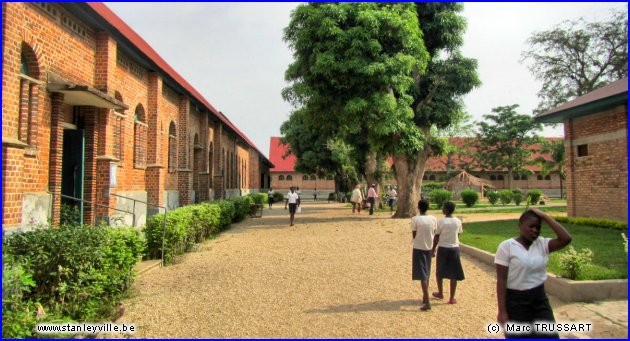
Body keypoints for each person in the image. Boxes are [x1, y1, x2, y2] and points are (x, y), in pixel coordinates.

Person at [495, 208, 572, 339]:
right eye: (531, 226)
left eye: (538, 227)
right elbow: (501, 280)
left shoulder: (542, 244)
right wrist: (502, 311)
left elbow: (566, 239)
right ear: (520, 225)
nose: (535, 230)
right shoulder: (506, 247)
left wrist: (544, 215)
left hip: (539, 300)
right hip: (516, 302)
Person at [432, 201, 464, 304]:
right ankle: (452, 297)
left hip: (443, 248)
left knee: (439, 271)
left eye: (443, 207)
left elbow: (436, 236)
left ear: (446, 209)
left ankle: (440, 292)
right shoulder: (458, 221)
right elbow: (458, 234)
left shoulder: (440, 222)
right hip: (454, 248)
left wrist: (433, 249)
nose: (442, 209)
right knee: (454, 273)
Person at [411, 199, 437, 311]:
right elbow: (434, 233)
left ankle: (427, 301)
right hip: (429, 247)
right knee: (427, 272)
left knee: (422, 275)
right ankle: (424, 296)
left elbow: (414, 234)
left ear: (419, 207)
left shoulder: (415, 219)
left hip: (419, 248)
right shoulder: (433, 219)